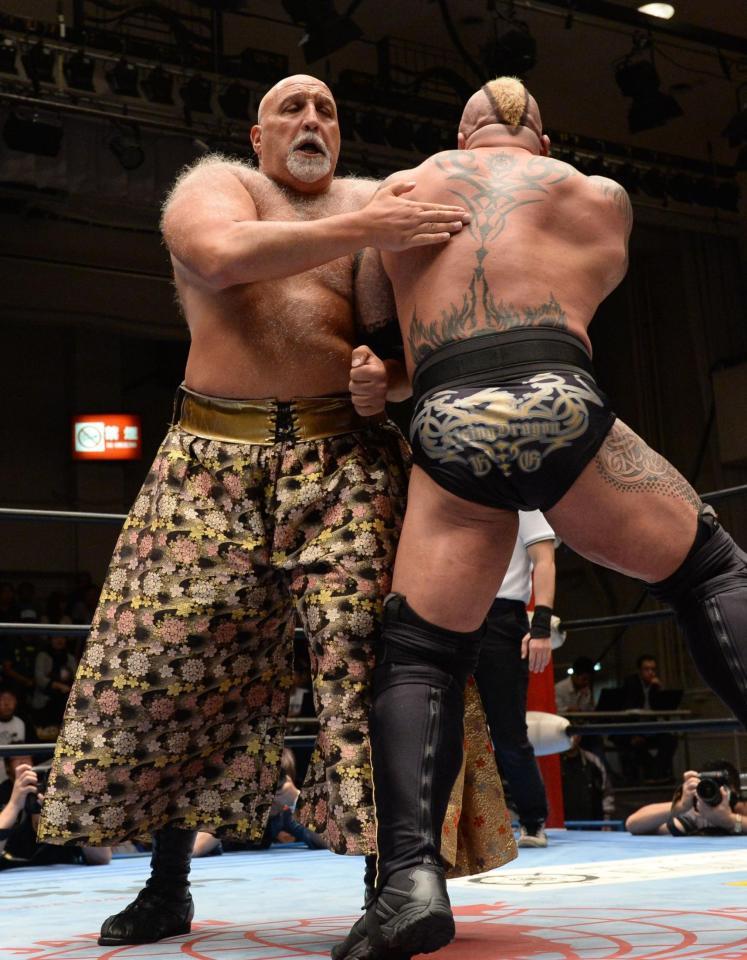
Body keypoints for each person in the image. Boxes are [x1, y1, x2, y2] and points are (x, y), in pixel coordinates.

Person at [36, 73, 474, 947]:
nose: (312, 120)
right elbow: (218, 255)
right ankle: (166, 885)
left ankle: (393, 885)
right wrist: (367, 225)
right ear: (259, 134)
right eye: (292, 109)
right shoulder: (220, 184)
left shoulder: (372, 209)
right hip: (209, 459)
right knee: (168, 663)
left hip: (341, 457)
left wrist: (381, 381)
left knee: (370, 660)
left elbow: (410, 353)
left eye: (327, 111)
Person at [335, 75, 747, 960]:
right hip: (559, 398)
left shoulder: (399, 193)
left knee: (419, 653)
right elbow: (574, 293)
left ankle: (409, 884)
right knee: (710, 572)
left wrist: (381, 379)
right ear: (544, 143)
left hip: (449, 415)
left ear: (460, 136)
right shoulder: (597, 197)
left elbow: (385, 344)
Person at [474, 510, 555, 848]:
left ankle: (533, 820)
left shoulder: (523, 503)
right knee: (448, 727)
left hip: (503, 617)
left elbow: (544, 559)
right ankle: (453, 827)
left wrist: (541, 625)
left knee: (508, 730)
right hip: (454, 613)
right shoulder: (456, 497)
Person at [193, 747, 326, 855]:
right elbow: (194, 848)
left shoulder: (284, 814)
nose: (271, 796)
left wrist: (297, 799)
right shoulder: (232, 805)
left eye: (277, 786)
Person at [0, 756, 111, 868]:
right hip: (12, 868)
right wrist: (14, 805)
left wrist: (70, 813)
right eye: (16, 758)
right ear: (7, 767)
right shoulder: (3, 793)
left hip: (65, 869)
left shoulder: (67, 791)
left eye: (27, 757)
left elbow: (101, 858)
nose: (23, 761)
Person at [625, 761, 745, 836]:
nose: (715, 793)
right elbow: (633, 824)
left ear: (735, 791)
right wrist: (679, 806)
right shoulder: (691, 815)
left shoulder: (740, 809)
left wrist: (730, 820)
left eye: (722, 788)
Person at [617, 653, 678, 782]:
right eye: (646, 669)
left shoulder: (655, 685)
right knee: (637, 746)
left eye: (653, 669)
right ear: (639, 671)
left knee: (670, 740)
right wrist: (633, 734)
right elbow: (627, 709)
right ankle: (654, 775)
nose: (651, 672)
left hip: (651, 728)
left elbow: (663, 709)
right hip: (632, 729)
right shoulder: (631, 683)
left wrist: (660, 690)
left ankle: (655, 775)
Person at [561, 735, 615, 826]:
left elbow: (607, 791)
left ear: (579, 737)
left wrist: (607, 820)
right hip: (563, 825)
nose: (571, 739)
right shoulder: (553, 764)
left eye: (574, 734)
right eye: (568, 735)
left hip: (592, 823)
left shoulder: (593, 760)